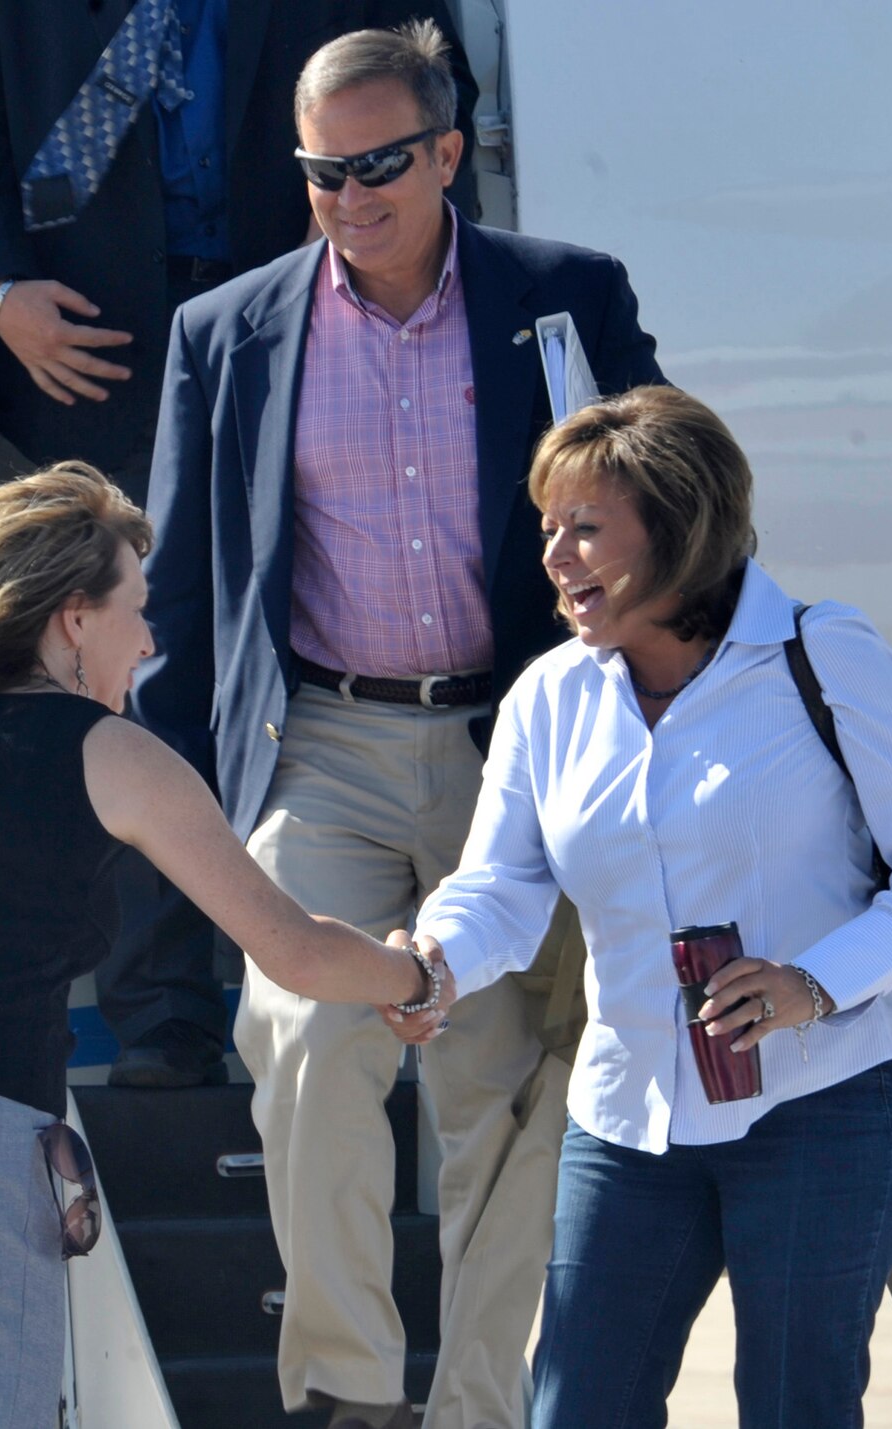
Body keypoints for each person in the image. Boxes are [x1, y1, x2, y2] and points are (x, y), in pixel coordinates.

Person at [135, 21, 666, 1429]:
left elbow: (669, 517)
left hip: (521, 741)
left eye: (377, 163)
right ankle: (349, 1393)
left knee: (497, 1089)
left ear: (446, 151)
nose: (348, 195)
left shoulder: (567, 302)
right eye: (319, 171)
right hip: (327, 744)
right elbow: (184, 595)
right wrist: (163, 807)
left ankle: (485, 1407)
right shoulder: (227, 332)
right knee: (307, 1035)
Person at [0, 465, 442, 1429]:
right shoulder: (109, 750)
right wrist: (418, 972)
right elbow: (294, 948)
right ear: (71, 618)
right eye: (134, 610)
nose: (147, 642)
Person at [394, 384, 892, 1429]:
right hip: (625, 1118)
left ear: (677, 529)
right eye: (547, 528)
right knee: (575, 1410)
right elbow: (501, 885)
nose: (554, 556)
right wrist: (430, 961)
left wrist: (814, 985)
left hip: (822, 1108)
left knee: (793, 1408)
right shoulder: (549, 694)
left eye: (584, 529)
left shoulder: (822, 653)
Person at [0, 0, 480, 1087]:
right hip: (88, 359)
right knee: (129, 684)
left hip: (307, 343)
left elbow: (422, 90)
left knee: (313, 655)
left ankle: (373, 986)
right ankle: (162, 1015)